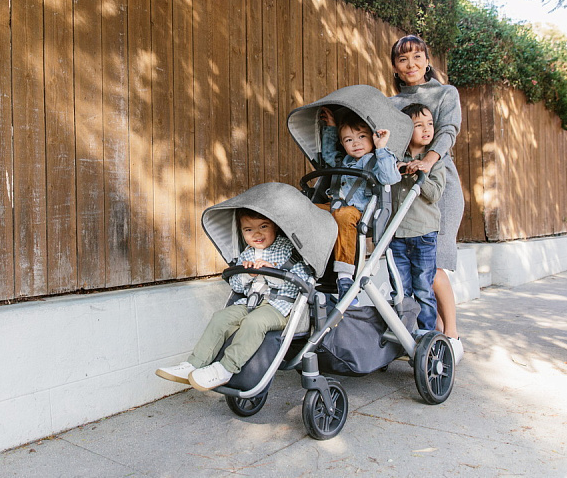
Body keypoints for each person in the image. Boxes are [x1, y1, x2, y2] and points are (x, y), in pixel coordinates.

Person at [155, 209, 313, 391]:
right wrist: (246, 275)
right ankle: (194, 364)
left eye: (263, 226)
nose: (257, 234)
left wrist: (273, 271)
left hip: (281, 307)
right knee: (221, 318)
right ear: (241, 231)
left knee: (254, 322)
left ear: (275, 226)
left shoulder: (288, 250)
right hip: (251, 302)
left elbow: (302, 284)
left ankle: (226, 368)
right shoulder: (247, 254)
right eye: (248, 229)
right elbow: (237, 287)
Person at [389, 34, 465, 361]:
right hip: (405, 189)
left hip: (439, 184)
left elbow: (448, 131)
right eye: (403, 59)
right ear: (395, 66)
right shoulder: (391, 103)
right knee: (411, 273)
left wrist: (428, 162)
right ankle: (428, 339)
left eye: (417, 57)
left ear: (427, 60)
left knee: (433, 268)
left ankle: (452, 337)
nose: (411, 64)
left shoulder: (445, 93)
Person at [320, 110, 401, 297]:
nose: (355, 143)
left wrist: (381, 148)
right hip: (338, 208)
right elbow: (328, 154)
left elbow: (390, 177)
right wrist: (331, 126)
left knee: (345, 214)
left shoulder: (377, 160)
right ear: (343, 144)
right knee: (305, 210)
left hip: (362, 213)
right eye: (348, 140)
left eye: (362, 136)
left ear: (372, 137)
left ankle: (344, 277)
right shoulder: (343, 161)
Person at [391, 103, 446, 331]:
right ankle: (404, 334)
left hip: (424, 233)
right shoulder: (394, 157)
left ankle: (426, 335)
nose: (427, 129)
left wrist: (419, 173)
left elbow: (435, 194)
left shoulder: (435, 160)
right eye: (419, 125)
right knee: (400, 290)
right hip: (396, 234)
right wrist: (397, 168)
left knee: (423, 289)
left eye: (430, 124)